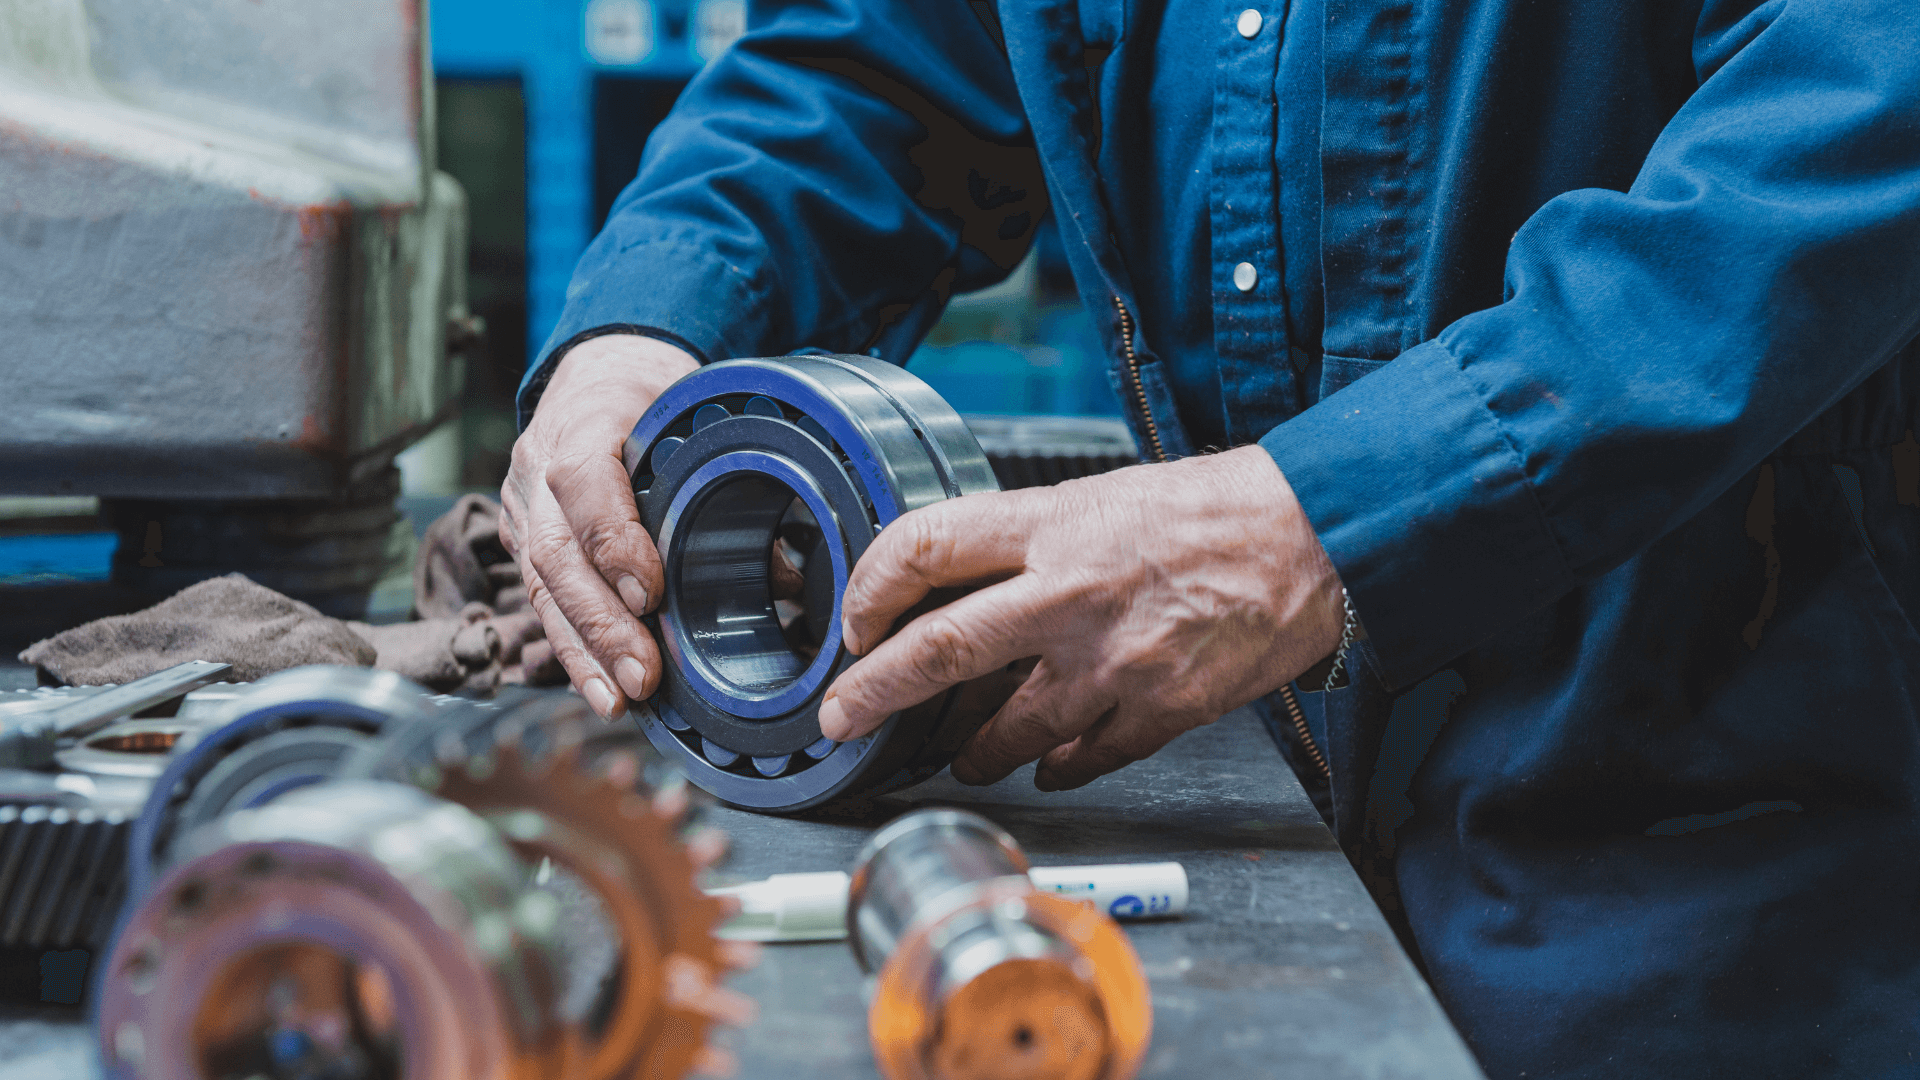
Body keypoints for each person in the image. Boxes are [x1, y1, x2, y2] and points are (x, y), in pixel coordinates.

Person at [501, 2, 1920, 1076]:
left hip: (1732, 859)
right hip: (1286, 810)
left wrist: (1333, 515)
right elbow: (886, 63)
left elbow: (1849, 126)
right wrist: (647, 326)